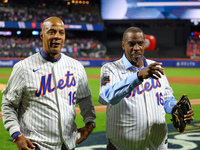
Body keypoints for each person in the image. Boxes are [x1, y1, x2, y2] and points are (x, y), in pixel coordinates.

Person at [1, 16, 96, 150]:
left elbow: (85, 97)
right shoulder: (23, 68)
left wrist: (90, 122)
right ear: (42, 35)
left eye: (61, 32)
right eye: (52, 32)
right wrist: (16, 134)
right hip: (36, 145)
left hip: (68, 144)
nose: (57, 36)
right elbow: (8, 104)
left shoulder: (76, 66)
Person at [98, 27, 194, 150]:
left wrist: (177, 108)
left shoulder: (155, 66)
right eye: (131, 44)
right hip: (123, 147)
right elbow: (107, 96)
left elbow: (166, 98)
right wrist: (138, 76)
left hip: (157, 145)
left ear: (145, 44)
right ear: (123, 45)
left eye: (140, 43)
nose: (136, 48)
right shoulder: (110, 69)